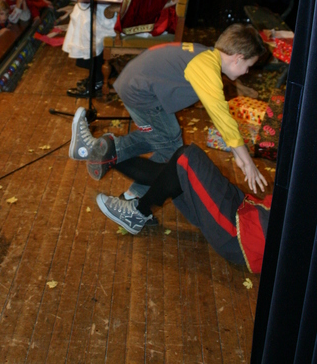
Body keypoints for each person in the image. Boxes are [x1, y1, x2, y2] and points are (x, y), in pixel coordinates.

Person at [70, 24, 268, 195]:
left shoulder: (206, 55)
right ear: (238, 58)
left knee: (164, 136)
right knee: (172, 150)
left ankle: (107, 151)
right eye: (248, 66)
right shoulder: (207, 68)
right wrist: (247, 161)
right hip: (141, 93)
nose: (247, 71)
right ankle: (133, 195)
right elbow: (222, 117)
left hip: (136, 84)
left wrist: (237, 154)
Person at [95, 143, 272, 273]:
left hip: (241, 236)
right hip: (246, 212)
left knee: (188, 157)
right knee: (177, 171)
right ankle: (106, 159)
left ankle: (138, 213)